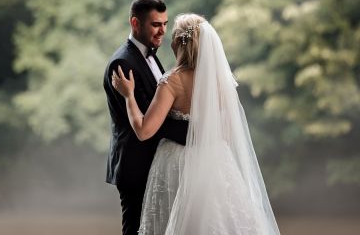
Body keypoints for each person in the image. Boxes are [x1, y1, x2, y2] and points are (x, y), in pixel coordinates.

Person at [112, 13, 281, 235]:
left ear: (178, 43)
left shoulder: (172, 81)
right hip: (216, 160)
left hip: (177, 163)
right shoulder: (222, 81)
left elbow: (144, 131)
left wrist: (128, 96)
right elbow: (227, 132)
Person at [103, 0, 188, 235]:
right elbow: (153, 123)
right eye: (155, 24)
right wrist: (194, 132)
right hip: (136, 165)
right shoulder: (123, 63)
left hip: (154, 162)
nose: (162, 31)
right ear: (135, 23)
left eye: (165, 24)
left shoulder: (148, 54)